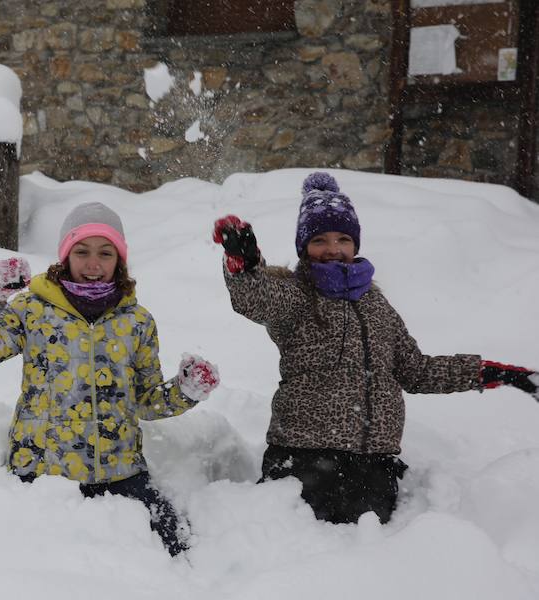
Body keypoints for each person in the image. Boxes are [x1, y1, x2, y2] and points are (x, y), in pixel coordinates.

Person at [212, 171, 539, 525]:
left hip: (372, 467)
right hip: (305, 462)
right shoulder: (296, 296)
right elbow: (256, 297)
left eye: (342, 238)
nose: (332, 248)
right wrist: (244, 265)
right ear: (304, 247)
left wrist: (496, 373)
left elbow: (416, 370)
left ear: (355, 244)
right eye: (319, 239)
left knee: (372, 566)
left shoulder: (377, 306)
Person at [0, 201, 220, 555]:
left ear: (119, 260)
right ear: (65, 256)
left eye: (106, 253)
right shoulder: (32, 310)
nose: (94, 264)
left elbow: (144, 401)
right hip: (42, 470)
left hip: (119, 471)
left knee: (179, 548)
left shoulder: (136, 322)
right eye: (82, 251)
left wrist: (185, 391)